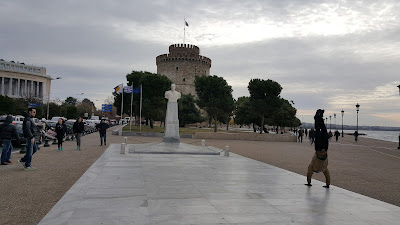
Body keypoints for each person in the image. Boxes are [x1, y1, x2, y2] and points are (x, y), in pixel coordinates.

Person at [305, 109, 330, 188]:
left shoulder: (322, 168)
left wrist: (328, 184)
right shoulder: (314, 167)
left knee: (322, 130)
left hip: (324, 149)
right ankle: (317, 117)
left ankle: (319, 116)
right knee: (319, 130)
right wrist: (309, 182)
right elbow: (309, 174)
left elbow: (327, 175)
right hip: (319, 149)